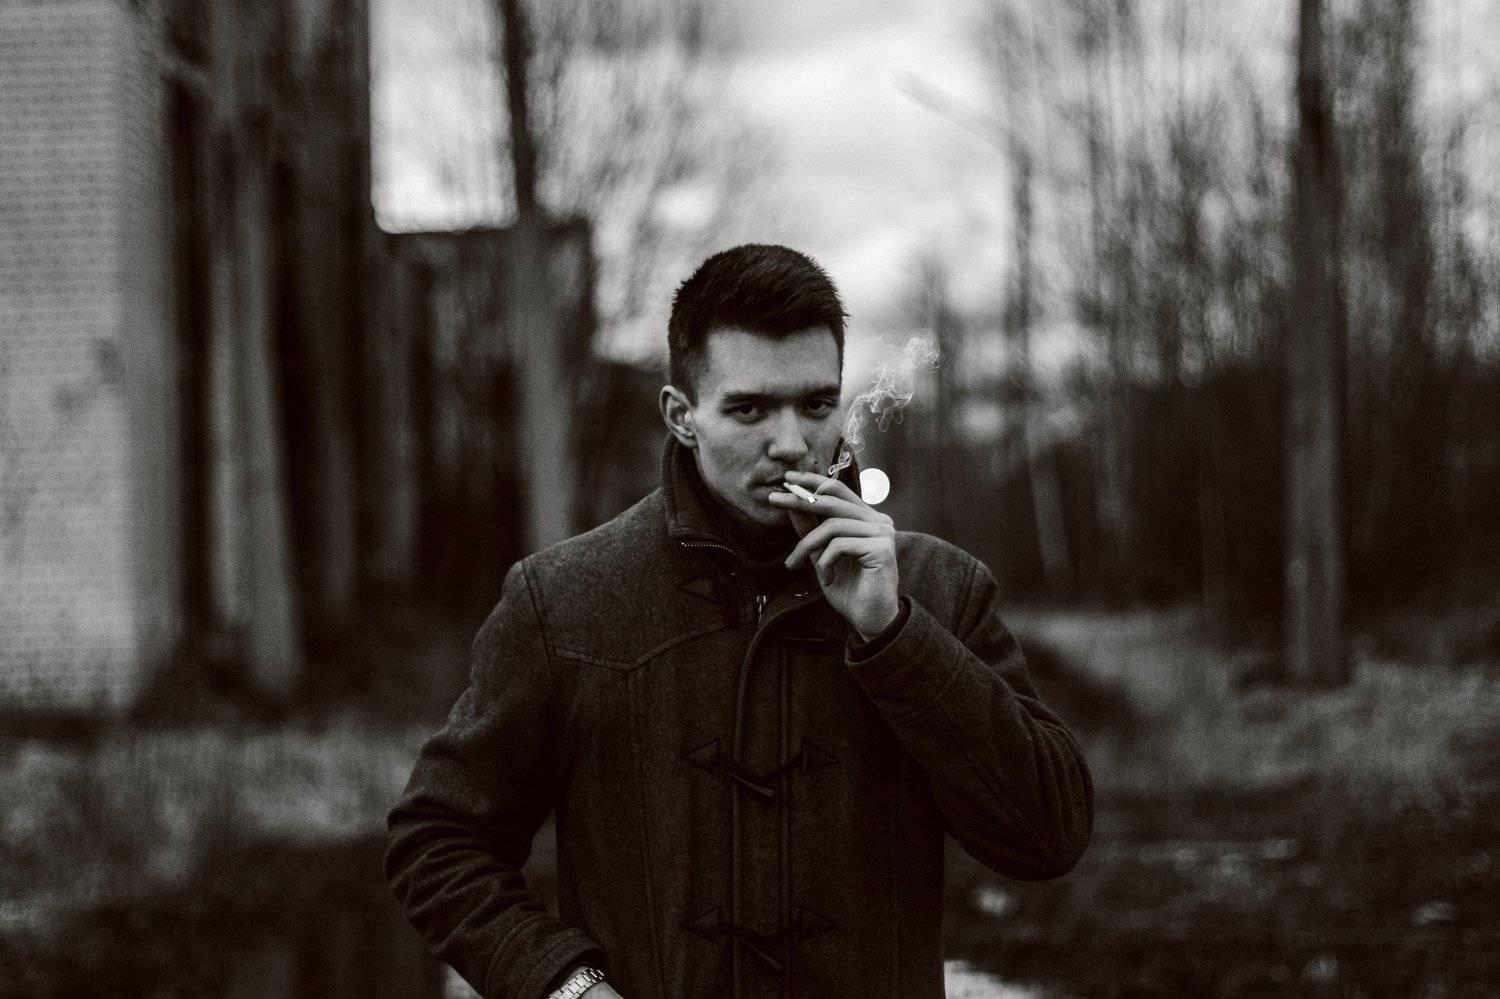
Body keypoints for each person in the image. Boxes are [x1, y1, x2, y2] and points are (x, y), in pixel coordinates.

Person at [385, 244, 1094, 999]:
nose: (790, 444)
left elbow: (1047, 837)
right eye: (749, 409)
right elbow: (438, 843)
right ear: (681, 416)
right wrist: (566, 985)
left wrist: (894, 635)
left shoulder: (938, 588)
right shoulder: (564, 600)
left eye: (816, 405)